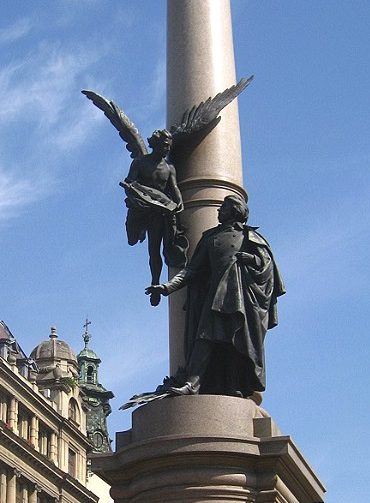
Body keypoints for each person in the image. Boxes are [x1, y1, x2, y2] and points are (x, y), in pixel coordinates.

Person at [147, 194, 283, 397]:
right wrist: (167, 287)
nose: (219, 211)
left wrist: (251, 259)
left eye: (223, 208)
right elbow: (192, 270)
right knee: (204, 338)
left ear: (235, 211)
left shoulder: (251, 237)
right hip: (215, 297)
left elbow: (267, 267)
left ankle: (233, 385)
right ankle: (192, 383)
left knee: (236, 341)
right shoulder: (211, 237)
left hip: (241, 298)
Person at [121, 128, 188, 297]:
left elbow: (174, 188)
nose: (167, 149)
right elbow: (129, 184)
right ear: (156, 144)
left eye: (169, 146)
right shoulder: (140, 163)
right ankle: (139, 231)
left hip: (159, 212)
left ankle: (155, 284)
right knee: (131, 240)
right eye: (165, 145)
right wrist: (136, 197)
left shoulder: (169, 167)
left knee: (154, 248)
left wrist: (179, 202)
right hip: (141, 209)